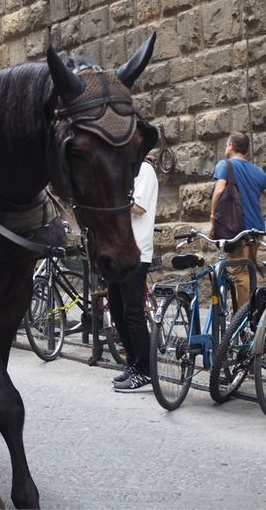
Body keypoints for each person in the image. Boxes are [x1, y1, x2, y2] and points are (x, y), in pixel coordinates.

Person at [110, 156, 159, 393]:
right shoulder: (125, 171)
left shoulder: (145, 171)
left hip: (136, 251)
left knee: (133, 312)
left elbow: (139, 208)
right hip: (117, 251)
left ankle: (146, 370)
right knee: (117, 311)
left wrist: (112, 196)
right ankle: (133, 363)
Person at [210, 132, 266, 306]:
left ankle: (243, 318)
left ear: (231, 145)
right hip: (257, 230)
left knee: (241, 274)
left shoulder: (225, 165)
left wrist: (212, 218)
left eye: (226, 144)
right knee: (249, 271)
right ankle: (252, 313)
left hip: (237, 230)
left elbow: (219, 191)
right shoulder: (258, 171)